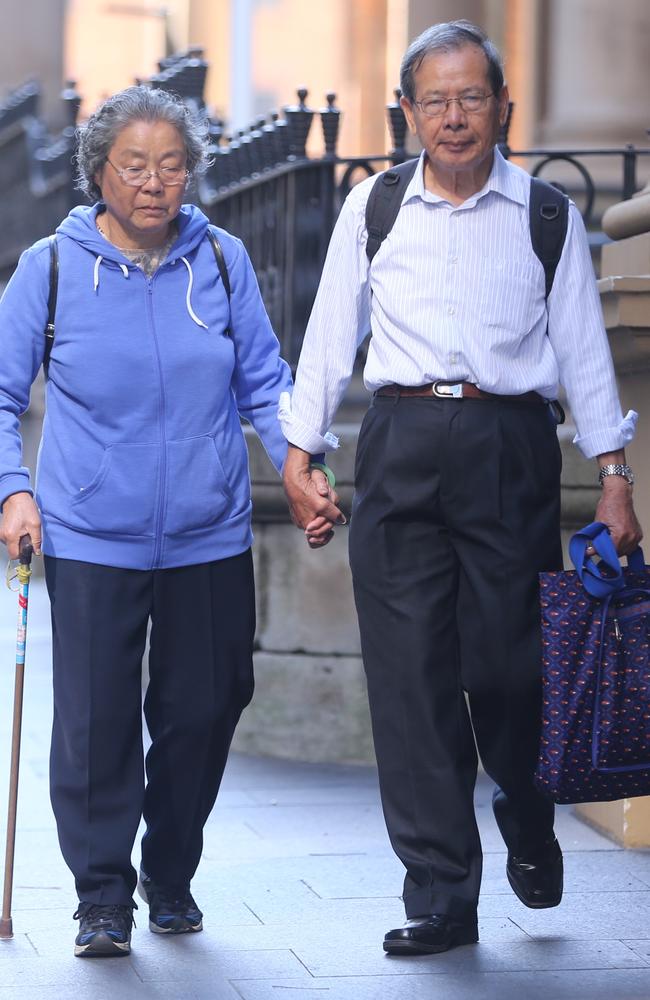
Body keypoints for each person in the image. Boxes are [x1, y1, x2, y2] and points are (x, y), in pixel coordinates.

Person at [281, 21, 643, 956]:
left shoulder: (546, 214)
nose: (453, 117)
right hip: (398, 441)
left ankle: (526, 806)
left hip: (506, 446)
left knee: (508, 668)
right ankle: (442, 891)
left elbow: (583, 350)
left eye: (470, 97)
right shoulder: (373, 209)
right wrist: (302, 451)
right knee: (411, 681)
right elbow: (329, 336)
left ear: (503, 110)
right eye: (434, 100)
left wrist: (613, 475)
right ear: (406, 112)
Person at [0, 85, 298, 958]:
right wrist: (14, 489)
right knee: (94, 723)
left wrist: (298, 467)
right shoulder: (50, 268)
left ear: (191, 176)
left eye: (171, 165)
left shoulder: (224, 260)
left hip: (209, 527)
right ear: (100, 172)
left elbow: (264, 382)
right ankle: (102, 895)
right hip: (92, 532)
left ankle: (170, 867)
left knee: (206, 706)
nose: (154, 183)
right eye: (134, 165)